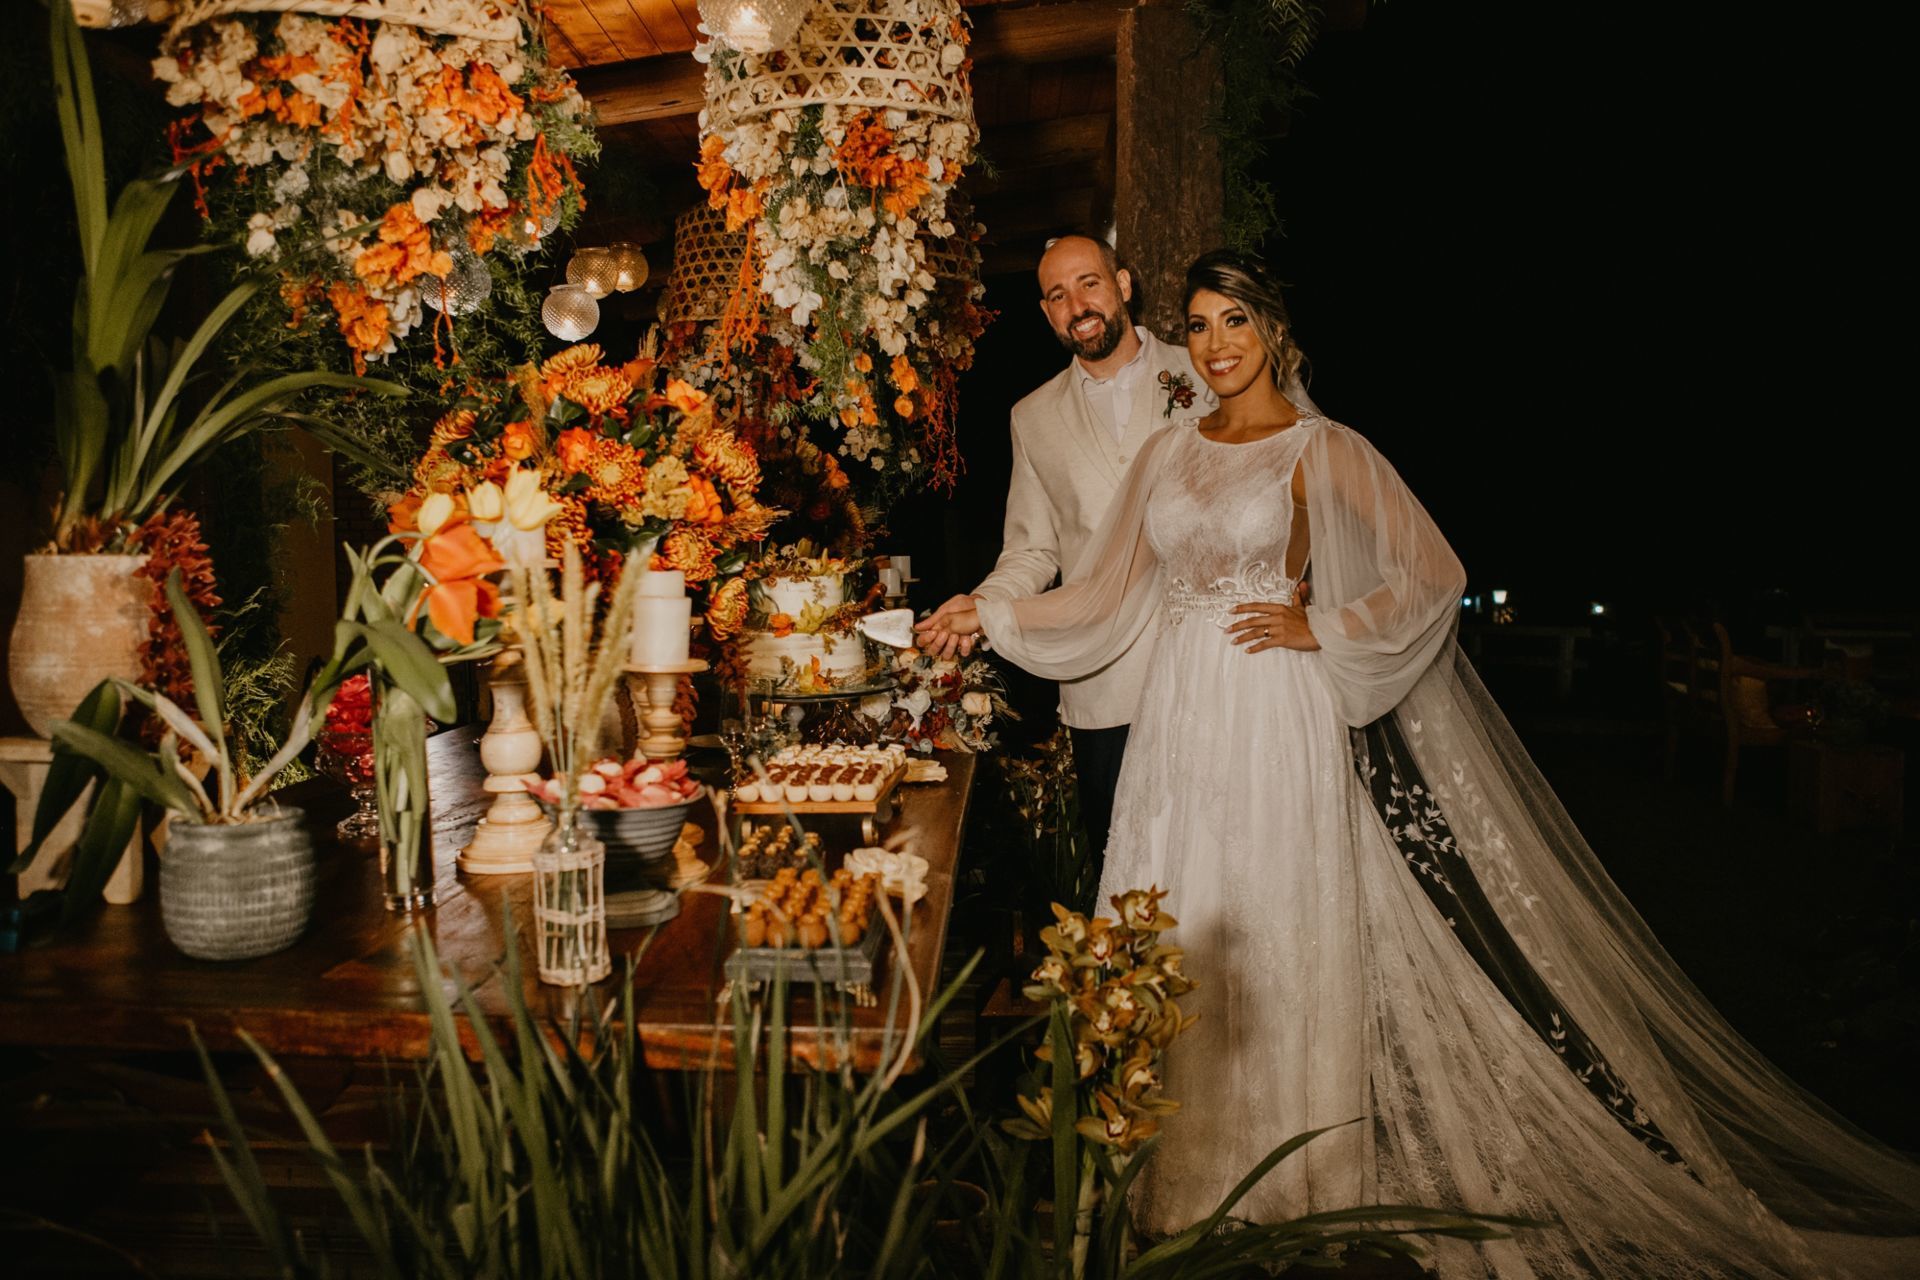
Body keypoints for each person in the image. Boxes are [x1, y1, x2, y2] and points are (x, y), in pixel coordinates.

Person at [916, 250, 1920, 1276]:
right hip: (1177, 719)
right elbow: (1099, 590)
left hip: (1275, 712)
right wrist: (986, 611)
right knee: (1181, 913)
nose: (1217, 345)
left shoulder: (1322, 445)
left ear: (1273, 333)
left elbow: (1433, 573)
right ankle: (1180, 1163)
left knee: (1274, 918)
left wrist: (1327, 625)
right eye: (1205, 325)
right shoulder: (1165, 454)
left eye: (1236, 323)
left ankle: (1293, 1165)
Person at [924, 233, 1254, 890]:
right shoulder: (1033, 416)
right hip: (1106, 680)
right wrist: (982, 607)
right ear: (1048, 315)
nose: (1077, 304)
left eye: (1089, 283)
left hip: (1216, 665)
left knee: (1225, 860)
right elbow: (1033, 549)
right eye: (1057, 294)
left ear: (1123, 285)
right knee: (1128, 874)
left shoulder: (1203, 372)